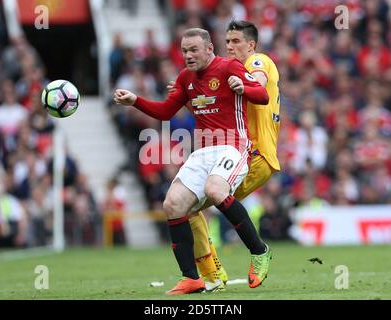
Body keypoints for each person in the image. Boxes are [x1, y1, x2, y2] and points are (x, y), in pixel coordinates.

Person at [114, 27, 271, 294]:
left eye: (194, 49)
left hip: (232, 146)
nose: (188, 55)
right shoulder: (185, 77)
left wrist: (243, 87)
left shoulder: (229, 66)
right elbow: (165, 111)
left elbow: (263, 96)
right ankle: (191, 277)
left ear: (209, 48)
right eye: (185, 50)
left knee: (215, 189)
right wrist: (135, 101)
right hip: (202, 151)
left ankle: (259, 251)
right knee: (172, 203)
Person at [168, 20, 280, 290]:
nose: (230, 47)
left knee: (197, 202)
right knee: (185, 207)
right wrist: (192, 89)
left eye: (236, 42)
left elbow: (258, 83)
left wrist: (244, 85)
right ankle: (210, 274)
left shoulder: (256, 61)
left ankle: (247, 257)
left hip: (254, 153)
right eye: (227, 42)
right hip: (245, 151)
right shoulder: (230, 72)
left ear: (251, 45)